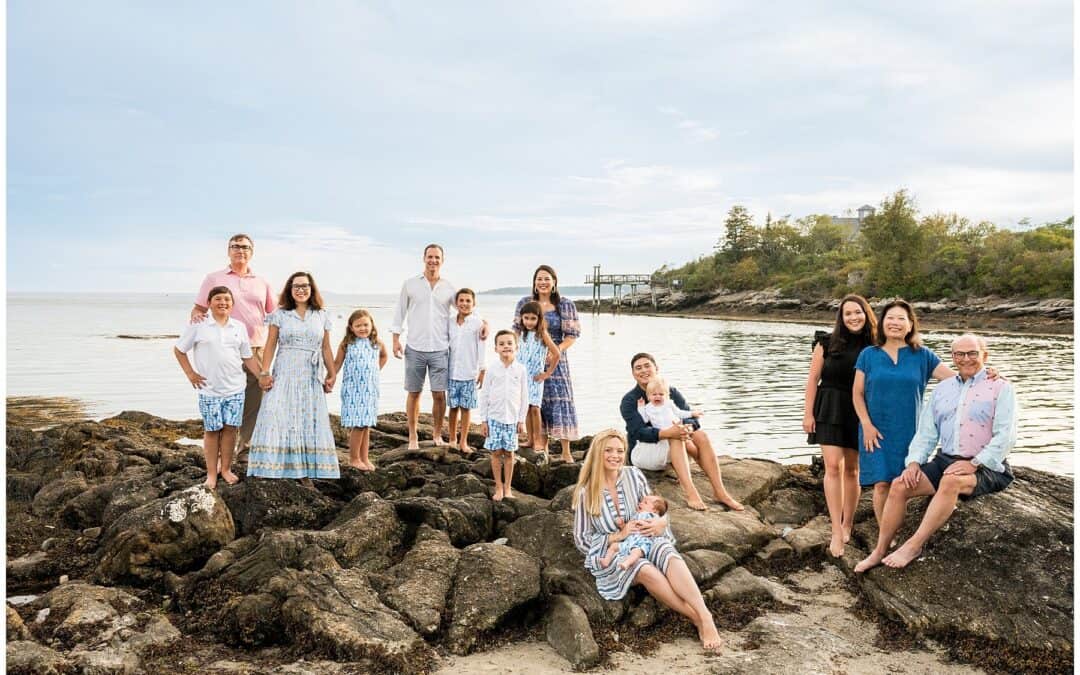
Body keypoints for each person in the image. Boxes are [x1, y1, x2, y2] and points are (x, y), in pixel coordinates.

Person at [855, 334, 1017, 573]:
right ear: (953, 357)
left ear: (985, 355)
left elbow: (1006, 436)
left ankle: (914, 545)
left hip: (987, 466)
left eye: (972, 353)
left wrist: (974, 463)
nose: (966, 359)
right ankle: (880, 550)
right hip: (945, 459)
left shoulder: (1001, 387)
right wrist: (913, 464)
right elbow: (926, 434)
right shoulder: (943, 389)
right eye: (959, 354)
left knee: (951, 481)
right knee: (899, 485)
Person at [572, 429, 722, 652]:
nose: (615, 455)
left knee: (665, 548)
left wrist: (661, 523)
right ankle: (695, 617)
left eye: (620, 451)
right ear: (597, 453)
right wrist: (617, 536)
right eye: (609, 450)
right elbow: (581, 539)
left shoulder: (634, 475)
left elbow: (655, 507)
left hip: (643, 539)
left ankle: (705, 615)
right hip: (613, 554)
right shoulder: (586, 493)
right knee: (643, 568)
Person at [852, 299, 954, 524]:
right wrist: (866, 425)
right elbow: (857, 394)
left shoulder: (923, 355)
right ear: (881, 323)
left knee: (902, 484)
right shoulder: (868, 354)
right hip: (874, 430)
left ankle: (897, 529)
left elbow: (955, 380)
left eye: (901, 319)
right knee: (881, 484)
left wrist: (987, 375)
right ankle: (884, 536)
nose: (895, 323)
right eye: (890, 318)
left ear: (910, 325)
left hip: (908, 431)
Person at [802, 294, 878, 557]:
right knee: (832, 466)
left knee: (853, 470)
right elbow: (813, 380)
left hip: (859, 410)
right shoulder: (826, 342)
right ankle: (836, 530)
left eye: (858, 312)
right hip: (829, 406)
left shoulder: (876, 345)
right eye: (848, 314)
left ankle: (848, 522)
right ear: (841, 317)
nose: (853, 317)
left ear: (866, 314)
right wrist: (807, 414)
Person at [246, 272, 340, 484]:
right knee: (275, 413)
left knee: (306, 418)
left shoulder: (322, 315)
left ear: (312, 289)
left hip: (310, 374)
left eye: (305, 286)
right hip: (285, 371)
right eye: (296, 286)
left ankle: (304, 471)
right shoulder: (280, 314)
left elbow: (325, 347)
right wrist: (264, 371)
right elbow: (270, 344)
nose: (300, 289)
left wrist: (332, 373)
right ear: (289, 289)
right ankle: (271, 465)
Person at [620, 353, 743, 512]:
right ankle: (691, 494)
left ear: (656, 369)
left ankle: (720, 493)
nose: (643, 370)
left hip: (675, 447)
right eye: (638, 368)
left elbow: (690, 417)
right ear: (633, 374)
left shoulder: (670, 392)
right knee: (675, 437)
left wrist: (687, 429)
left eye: (647, 366)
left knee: (701, 435)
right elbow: (639, 432)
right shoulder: (630, 400)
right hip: (644, 452)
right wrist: (670, 432)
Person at [174, 286, 266, 488]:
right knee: (212, 430)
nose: (223, 302)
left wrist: (262, 376)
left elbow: (247, 356)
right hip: (209, 390)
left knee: (231, 429)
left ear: (232, 304)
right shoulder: (199, 325)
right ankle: (211, 474)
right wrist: (190, 374)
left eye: (227, 299)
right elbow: (179, 350)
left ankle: (225, 468)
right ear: (209, 303)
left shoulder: (238, 327)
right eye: (218, 299)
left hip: (235, 388)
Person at [191, 234, 276, 453]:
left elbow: (274, 316)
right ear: (228, 251)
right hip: (223, 348)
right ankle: (220, 450)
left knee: (254, 400)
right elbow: (199, 309)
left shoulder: (262, 282)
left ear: (252, 252)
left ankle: (246, 448)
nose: (240, 250)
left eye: (245, 247)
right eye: (235, 246)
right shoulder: (213, 278)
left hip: (256, 348)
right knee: (223, 397)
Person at [391, 244, 458, 449]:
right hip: (415, 347)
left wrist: (483, 323)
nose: (433, 261)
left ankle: (437, 435)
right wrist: (395, 339)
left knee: (439, 394)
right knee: (414, 392)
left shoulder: (448, 287)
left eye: (437, 257)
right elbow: (399, 312)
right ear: (424, 258)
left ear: (442, 260)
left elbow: (465, 308)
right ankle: (413, 436)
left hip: (440, 348)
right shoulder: (410, 284)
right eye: (430, 257)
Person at [513, 265, 580, 463]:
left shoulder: (565, 304)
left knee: (560, 401)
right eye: (539, 279)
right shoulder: (525, 303)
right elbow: (516, 330)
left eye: (546, 279)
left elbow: (572, 335)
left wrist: (555, 352)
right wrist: (510, 352)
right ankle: (540, 446)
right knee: (534, 402)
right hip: (529, 361)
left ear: (554, 282)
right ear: (534, 282)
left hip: (556, 360)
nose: (542, 282)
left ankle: (566, 451)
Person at [333, 308, 387, 471]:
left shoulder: (376, 343)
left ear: (371, 325)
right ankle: (354, 458)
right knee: (358, 424)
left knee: (367, 424)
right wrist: (330, 378)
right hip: (353, 389)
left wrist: (376, 369)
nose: (363, 328)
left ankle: (365, 458)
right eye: (358, 326)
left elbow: (384, 356)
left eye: (365, 325)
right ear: (351, 327)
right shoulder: (347, 344)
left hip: (370, 390)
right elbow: (336, 364)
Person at [478, 330, 530, 501]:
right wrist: (483, 420)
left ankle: (508, 488)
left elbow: (524, 397)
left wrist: (522, 420)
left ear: (516, 347)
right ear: (496, 349)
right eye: (501, 344)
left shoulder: (521, 370)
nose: (506, 346)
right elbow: (484, 394)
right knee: (496, 453)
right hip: (494, 418)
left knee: (509, 454)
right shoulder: (492, 370)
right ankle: (498, 487)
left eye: (509, 343)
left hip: (512, 420)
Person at [515, 301, 561, 451]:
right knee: (526, 408)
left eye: (533, 318)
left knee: (535, 408)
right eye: (526, 318)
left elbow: (556, 353)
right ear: (521, 318)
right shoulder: (521, 334)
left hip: (535, 378)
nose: (529, 322)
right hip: (522, 377)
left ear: (539, 319)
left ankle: (537, 440)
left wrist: (547, 373)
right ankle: (529, 439)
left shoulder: (542, 335)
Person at [447, 289, 486, 455]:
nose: (464, 303)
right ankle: (452, 439)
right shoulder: (449, 322)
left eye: (468, 301)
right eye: (461, 300)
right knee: (453, 407)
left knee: (465, 408)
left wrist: (482, 369)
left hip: (469, 373)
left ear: (474, 304)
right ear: (456, 304)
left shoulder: (477, 324)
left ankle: (463, 441)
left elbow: (481, 347)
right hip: (451, 372)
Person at [598, 494, 670, 571]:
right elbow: (628, 528)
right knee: (613, 546)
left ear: (655, 511)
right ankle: (606, 561)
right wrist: (622, 525)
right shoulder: (636, 515)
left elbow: (658, 528)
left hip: (641, 543)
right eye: (641, 501)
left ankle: (627, 563)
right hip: (629, 542)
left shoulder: (654, 518)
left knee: (636, 552)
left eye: (645, 503)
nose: (640, 503)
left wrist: (658, 524)